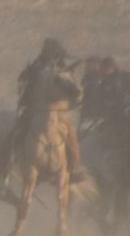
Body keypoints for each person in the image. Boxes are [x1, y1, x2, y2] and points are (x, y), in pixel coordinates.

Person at [15, 38, 84, 178]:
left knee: (71, 135)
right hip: (35, 108)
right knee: (17, 131)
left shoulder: (63, 68)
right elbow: (23, 82)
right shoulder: (37, 66)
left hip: (58, 112)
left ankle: (74, 168)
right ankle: (9, 161)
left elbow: (75, 91)